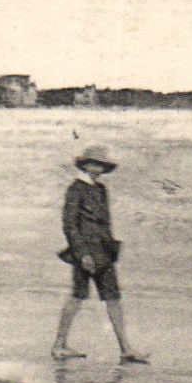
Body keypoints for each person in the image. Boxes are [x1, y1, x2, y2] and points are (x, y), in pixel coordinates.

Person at [51, 144, 146, 363]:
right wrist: (83, 253)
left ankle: (126, 349)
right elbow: (69, 226)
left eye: (102, 165)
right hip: (85, 252)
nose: (99, 168)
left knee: (113, 298)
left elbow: (105, 224)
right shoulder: (75, 189)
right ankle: (59, 345)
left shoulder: (101, 189)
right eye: (95, 164)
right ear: (85, 165)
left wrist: (111, 250)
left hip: (103, 253)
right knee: (78, 295)